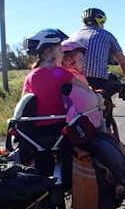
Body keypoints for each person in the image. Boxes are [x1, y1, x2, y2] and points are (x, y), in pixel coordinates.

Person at [61, 40, 125, 200]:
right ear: (68, 61)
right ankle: (120, 182)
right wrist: (99, 99)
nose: (83, 64)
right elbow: (85, 101)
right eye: (81, 60)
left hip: (63, 124)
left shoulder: (60, 75)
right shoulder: (74, 77)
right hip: (83, 124)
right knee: (106, 143)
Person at [20, 28, 94, 175]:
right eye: (60, 49)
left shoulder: (30, 77)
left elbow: (23, 105)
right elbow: (86, 89)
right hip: (60, 129)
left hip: (36, 133)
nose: (62, 53)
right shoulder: (60, 73)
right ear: (49, 52)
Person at [69, 8, 125, 133]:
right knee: (106, 119)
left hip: (72, 82)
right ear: (101, 21)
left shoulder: (73, 35)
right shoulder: (107, 35)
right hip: (97, 83)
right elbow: (123, 63)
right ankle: (109, 137)